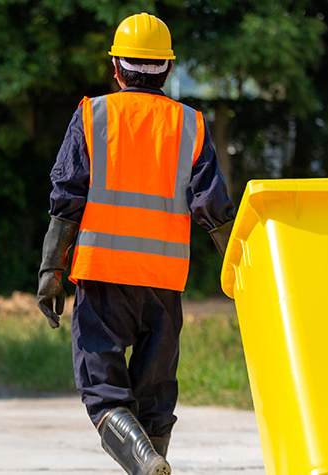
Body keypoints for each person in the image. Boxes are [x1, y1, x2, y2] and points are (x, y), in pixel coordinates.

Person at [36, 12, 237, 475]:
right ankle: (154, 460)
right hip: (164, 283)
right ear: (166, 69)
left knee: (104, 392)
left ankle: (145, 462)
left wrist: (51, 273)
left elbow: (66, 198)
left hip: (103, 277)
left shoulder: (93, 115)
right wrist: (240, 271)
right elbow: (214, 208)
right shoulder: (190, 124)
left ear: (116, 68)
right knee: (155, 395)